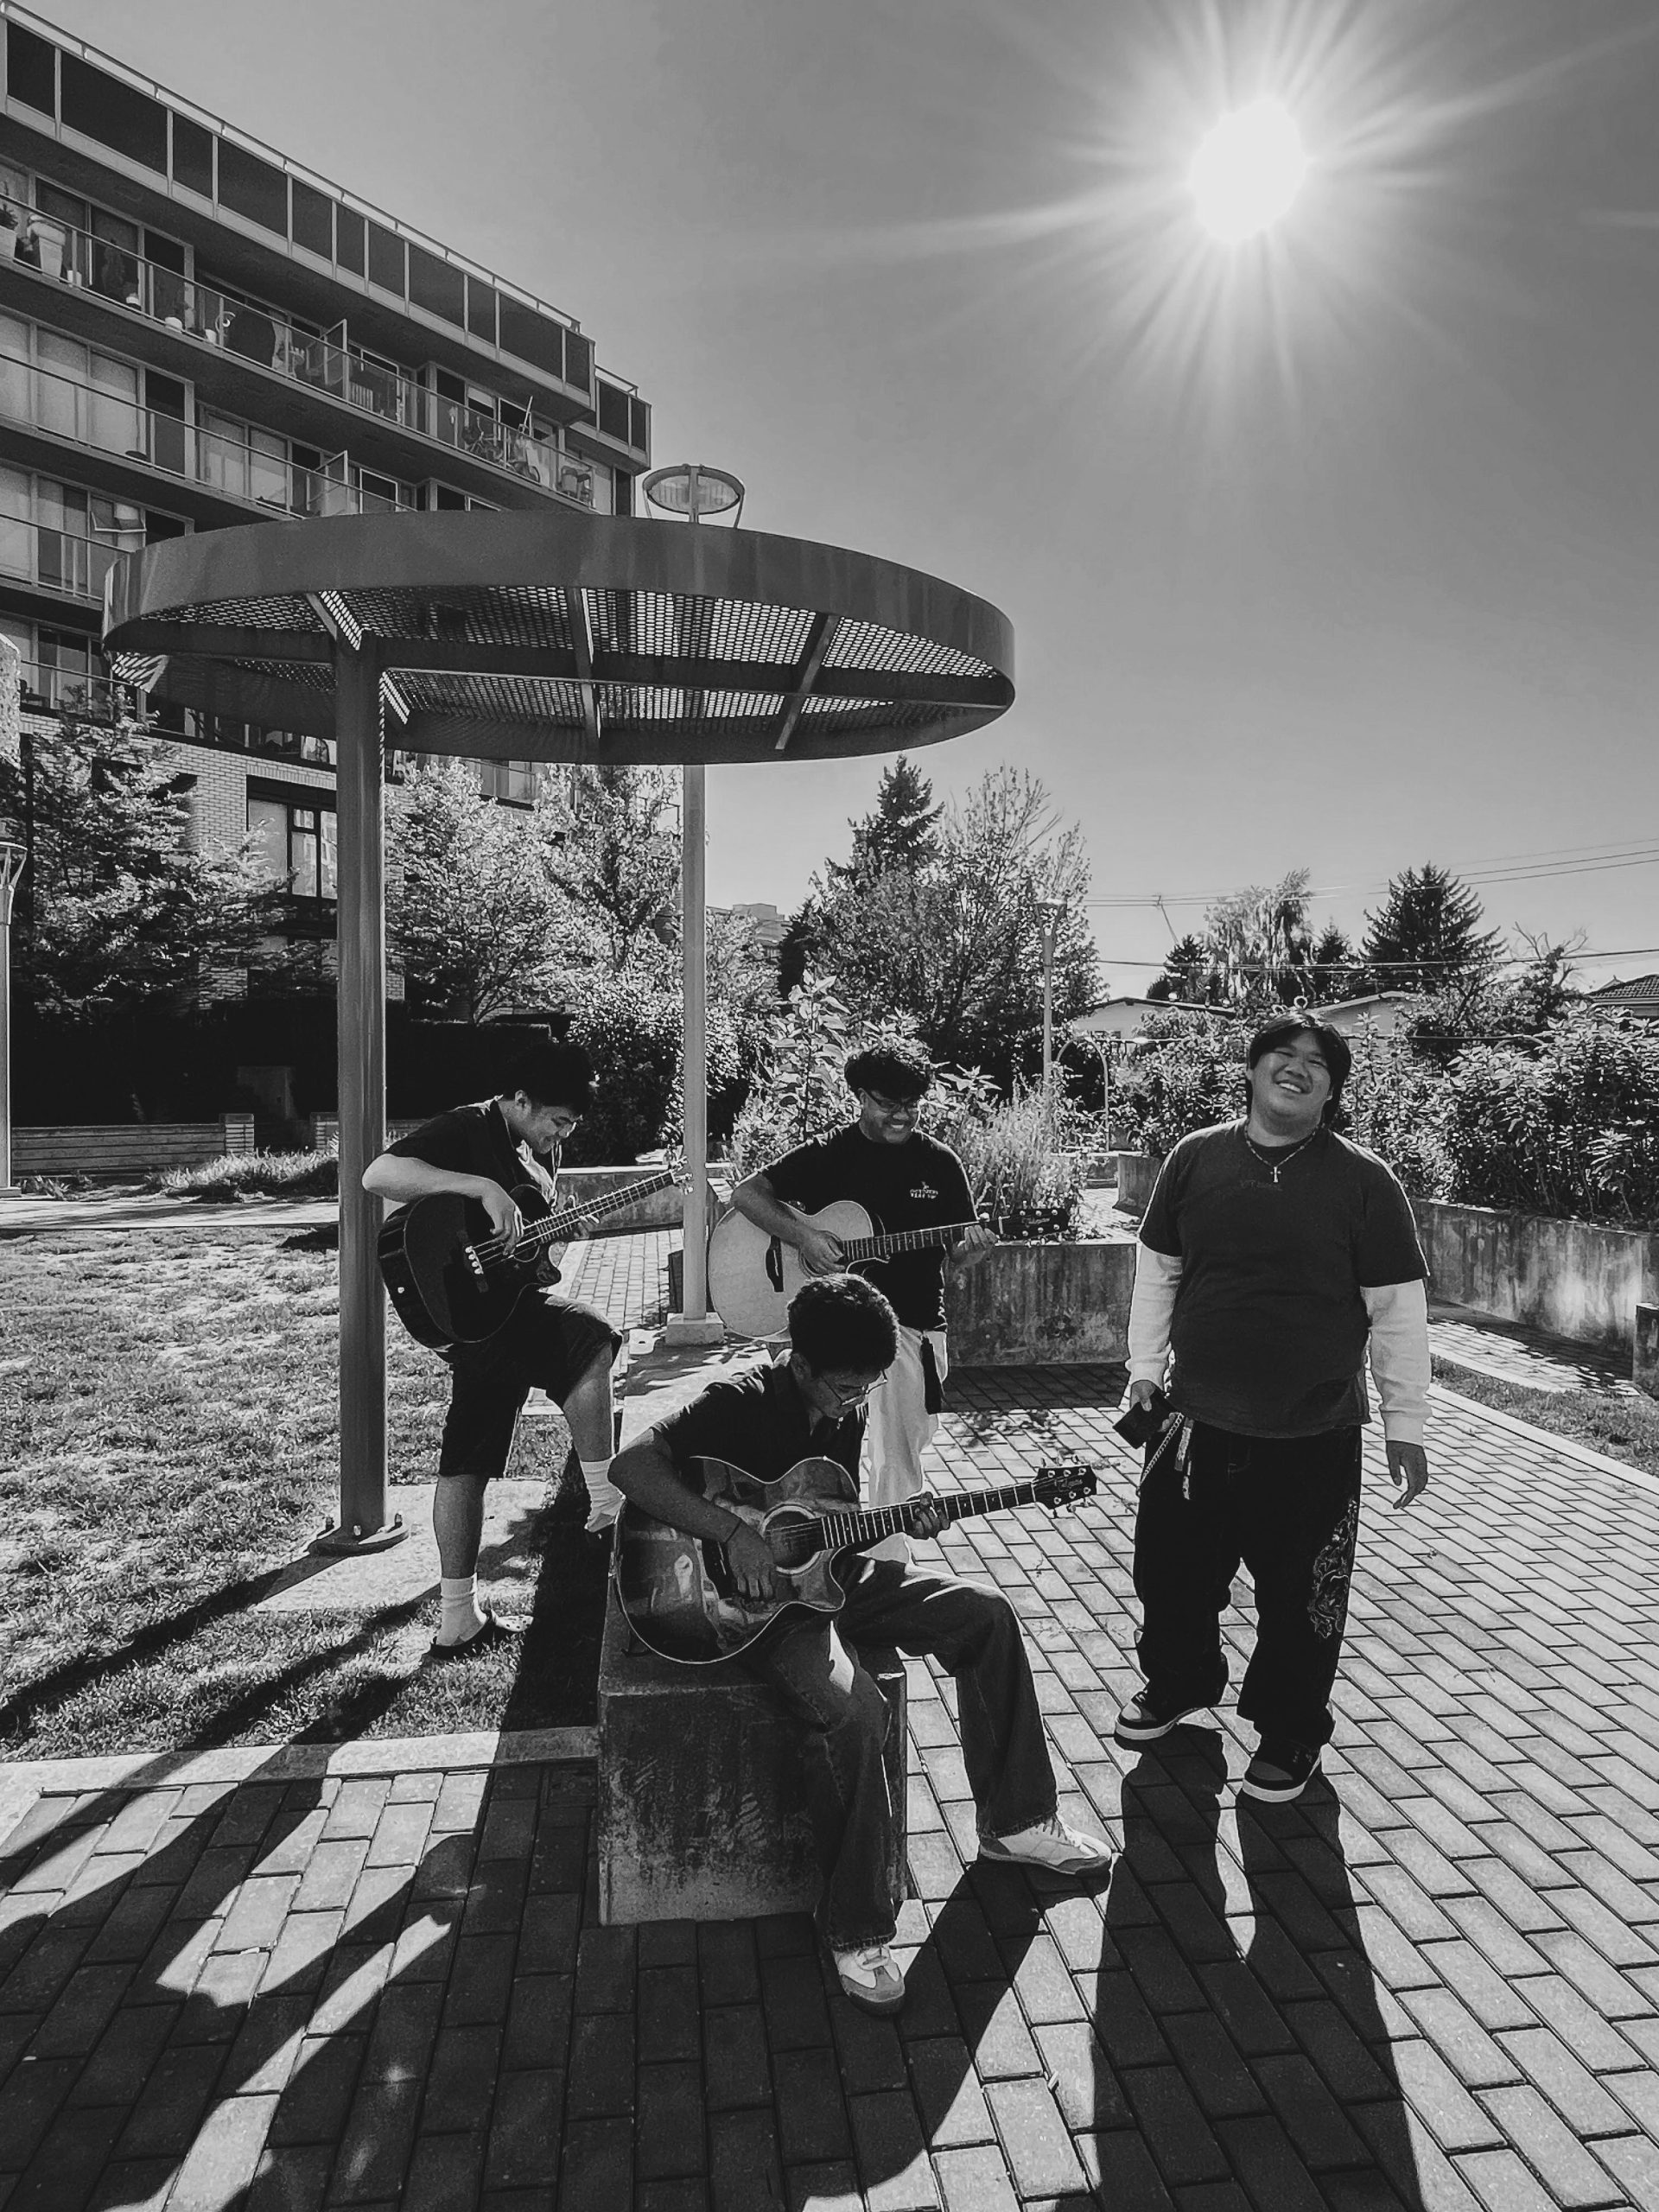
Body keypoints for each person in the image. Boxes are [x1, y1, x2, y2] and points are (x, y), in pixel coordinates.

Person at [610, 1271, 1111, 2014]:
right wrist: (735, 1533)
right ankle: (856, 1928)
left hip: (827, 1582)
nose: (856, 1402)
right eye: (845, 1388)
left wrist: (901, 1520)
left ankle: (1017, 1824)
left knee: (986, 1612)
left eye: (868, 1388)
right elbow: (631, 1468)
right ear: (801, 1363)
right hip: (745, 1612)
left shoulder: (846, 1402)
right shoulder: (738, 1403)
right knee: (856, 1714)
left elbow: (828, 1518)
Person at [1116, 1013, 1431, 1803]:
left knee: (1303, 1598)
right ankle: (1180, 1683)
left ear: (1332, 1088)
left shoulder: (1364, 1182)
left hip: (1313, 1433)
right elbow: (1159, 1272)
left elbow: (1397, 1310)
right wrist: (1143, 1373)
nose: (1297, 1069)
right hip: (1192, 1423)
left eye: (1317, 1063)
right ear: (1253, 1071)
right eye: (1281, 1056)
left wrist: (1406, 1425)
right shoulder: (1196, 1158)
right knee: (1171, 1576)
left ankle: (1291, 1730)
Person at [363, 1041, 621, 1656]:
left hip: (491, 1310)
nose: (562, 1133)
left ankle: (457, 1619)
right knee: (591, 1338)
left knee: (468, 1454)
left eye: (571, 1124)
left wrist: (554, 1233)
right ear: (520, 1099)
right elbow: (380, 1175)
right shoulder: (469, 1127)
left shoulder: (542, 1148)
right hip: (463, 1300)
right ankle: (607, 1504)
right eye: (556, 1119)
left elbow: (523, 1249)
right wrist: (480, 1186)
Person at [731, 1040, 994, 1560]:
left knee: (898, 1460)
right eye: (888, 1104)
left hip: (910, 1327)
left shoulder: (940, 1164)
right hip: (832, 1333)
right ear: (859, 1096)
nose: (902, 1116)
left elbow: (957, 1252)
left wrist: (971, 1252)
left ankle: (887, 1581)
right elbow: (747, 1194)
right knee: (816, 1452)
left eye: (912, 1105)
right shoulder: (831, 1154)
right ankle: (822, 1557)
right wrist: (804, 1237)